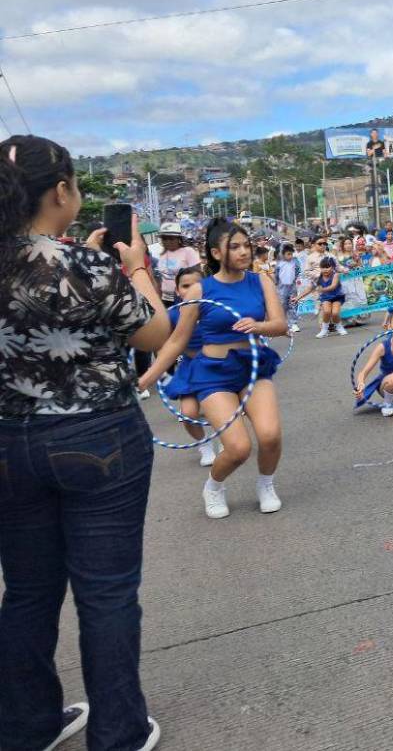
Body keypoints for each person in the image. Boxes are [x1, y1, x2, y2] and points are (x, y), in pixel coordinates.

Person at [0, 135, 170, 751]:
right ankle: (118, 732)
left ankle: (25, 725)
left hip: (7, 442)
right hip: (95, 435)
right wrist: (137, 268)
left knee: (26, 590)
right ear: (61, 191)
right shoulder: (83, 265)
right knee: (106, 592)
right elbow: (155, 333)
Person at [139, 219, 288, 520]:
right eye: (235, 247)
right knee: (238, 448)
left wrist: (259, 326)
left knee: (270, 436)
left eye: (247, 245)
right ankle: (214, 487)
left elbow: (281, 324)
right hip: (214, 374)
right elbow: (176, 342)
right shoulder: (199, 291)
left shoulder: (261, 281)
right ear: (217, 253)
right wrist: (145, 379)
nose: (244, 252)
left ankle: (266, 484)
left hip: (252, 367)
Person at [160, 266, 218, 465]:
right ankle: (204, 445)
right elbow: (163, 343)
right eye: (185, 286)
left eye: (196, 285)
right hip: (190, 367)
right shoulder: (173, 315)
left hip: (218, 365)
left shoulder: (215, 310)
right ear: (177, 291)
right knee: (188, 413)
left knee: (225, 409)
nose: (191, 290)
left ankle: (230, 439)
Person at [297, 256, 348, 337]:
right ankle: (324, 330)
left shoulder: (336, 275)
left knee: (335, 313)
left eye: (328, 267)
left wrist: (322, 289)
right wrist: (297, 298)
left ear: (333, 267)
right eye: (323, 267)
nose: (325, 269)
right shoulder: (318, 277)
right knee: (327, 312)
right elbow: (310, 288)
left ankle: (339, 327)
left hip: (337, 296)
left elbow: (333, 286)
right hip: (326, 298)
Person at [153, 221, 201, 304]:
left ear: (179, 239)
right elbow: (161, 278)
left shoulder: (188, 252)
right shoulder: (162, 254)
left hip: (184, 298)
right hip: (165, 299)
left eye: (171, 238)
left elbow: (198, 276)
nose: (168, 241)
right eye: (164, 238)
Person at [273, 243, 301, 335]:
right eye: (288, 254)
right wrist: (276, 283)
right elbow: (276, 275)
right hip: (282, 287)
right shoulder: (279, 263)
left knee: (293, 303)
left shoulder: (294, 261)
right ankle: (285, 323)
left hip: (291, 286)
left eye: (291, 254)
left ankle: (293, 323)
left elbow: (297, 270)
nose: (290, 256)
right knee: (283, 304)